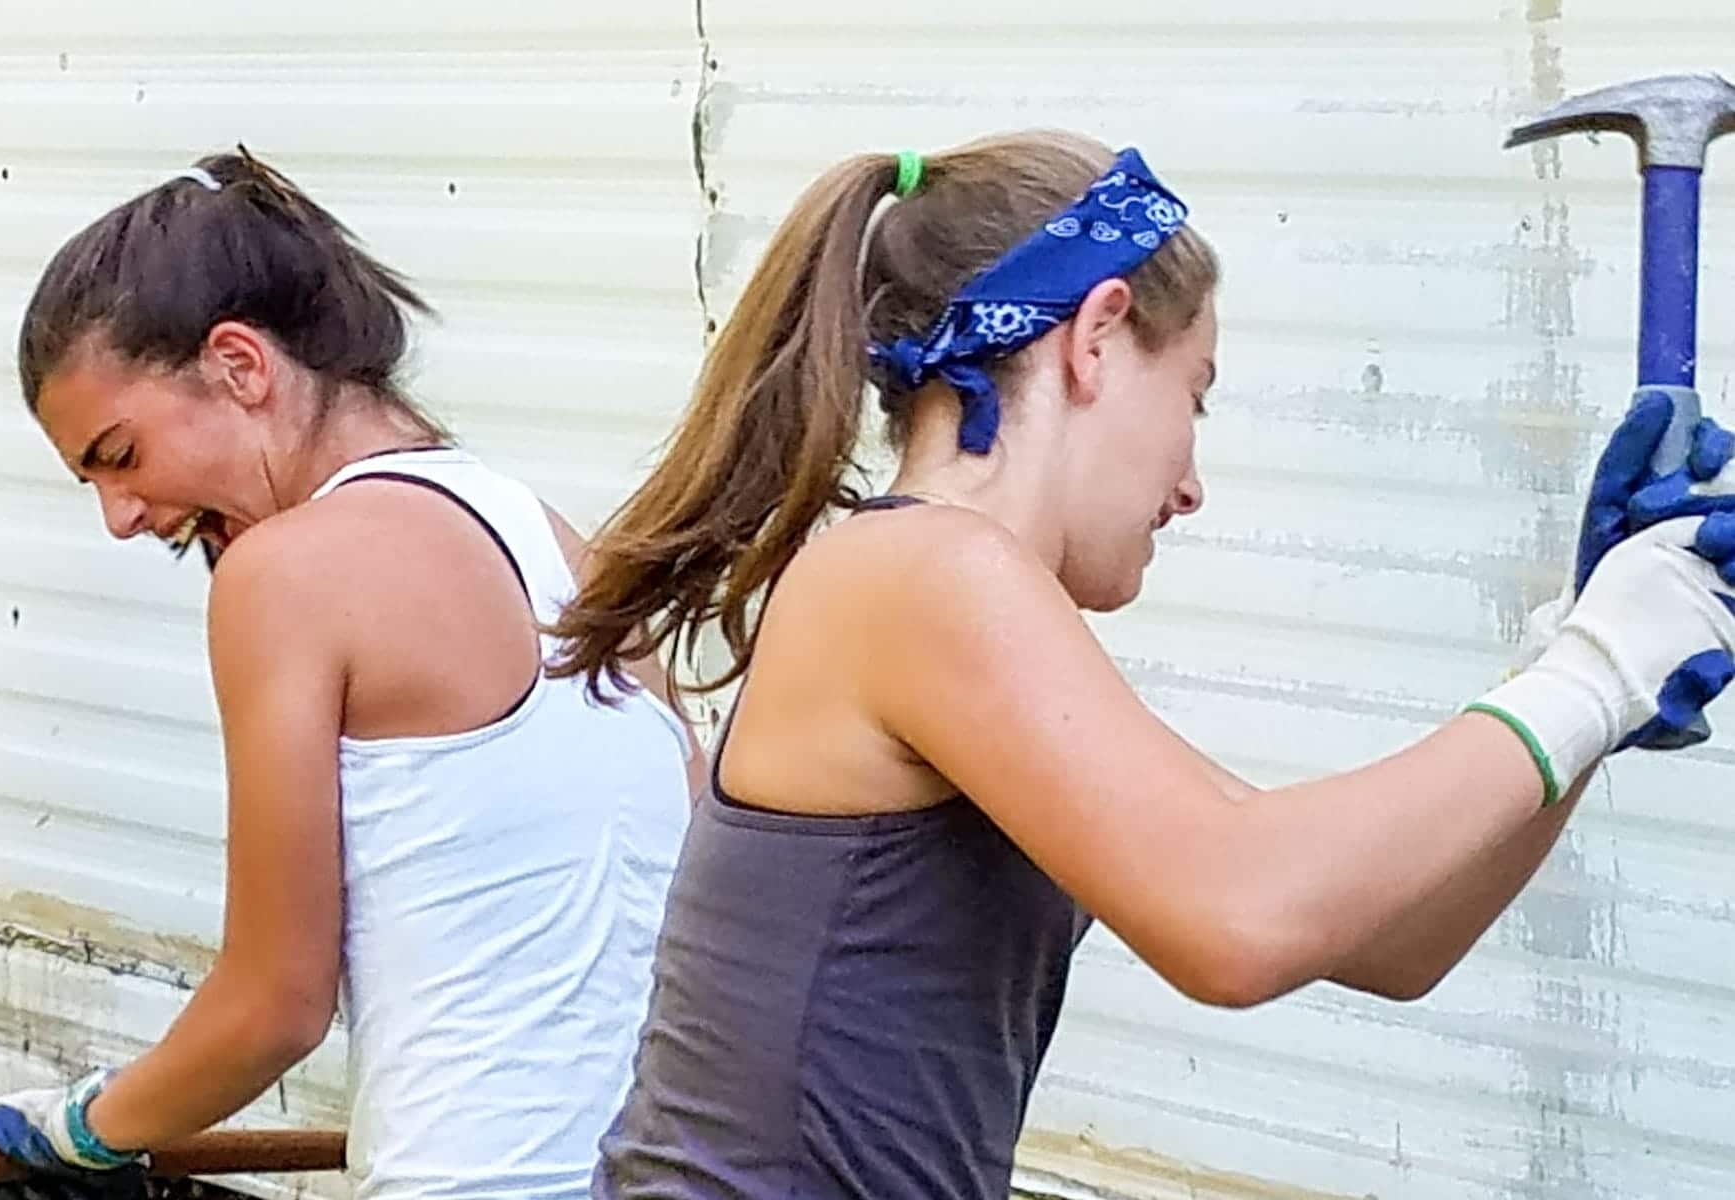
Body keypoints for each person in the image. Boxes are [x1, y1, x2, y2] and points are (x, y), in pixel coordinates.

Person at [542, 129, 1735, 1197]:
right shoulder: (921, 576)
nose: (1191, 482)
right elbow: (1239, 921)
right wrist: (1589, 670)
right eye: (1197, 398)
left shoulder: (943, 595)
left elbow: (1389, 938)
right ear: (1099, 338)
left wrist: (1585, 679)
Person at [0, 150, 705, 1200]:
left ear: (240, 366)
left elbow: (274, 1002)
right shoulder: (566, 552)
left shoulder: (285, 574)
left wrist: (90, 1128)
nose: (122, 518)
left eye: (120, 455)